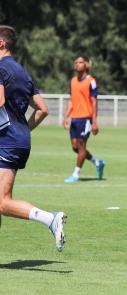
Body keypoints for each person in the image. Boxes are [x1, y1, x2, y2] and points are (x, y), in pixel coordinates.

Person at [0, 25, 66, 251]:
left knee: (2, 201)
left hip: (5, 140)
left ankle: (50, 219)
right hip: (18, 139)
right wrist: (25, 130)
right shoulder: (23, 73)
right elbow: (43, 109)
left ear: (1, 43)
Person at [63, 55, 105, 182]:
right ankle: (97, 163)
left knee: (81, 146)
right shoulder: (72, 81)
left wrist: (95, 121)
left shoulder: (91, 80)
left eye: (80, 62)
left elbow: (94, 102)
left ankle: (76, 173)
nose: (77, 64)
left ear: (86, 64)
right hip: (75, 118)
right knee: (75, 147)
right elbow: (71, 100)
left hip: (86, 118)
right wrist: (66, 116)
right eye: (76, 62)